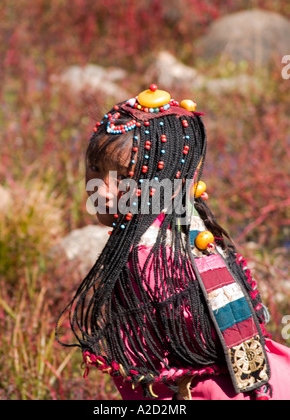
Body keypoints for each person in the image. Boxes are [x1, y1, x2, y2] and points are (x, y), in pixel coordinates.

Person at [56, 85, 290, 400]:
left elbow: (163, 379)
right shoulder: (188, 224)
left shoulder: (148, 259)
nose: (103, 189)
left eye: (125, 177)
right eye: (96, 168)